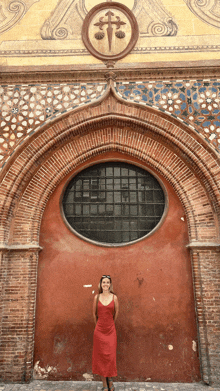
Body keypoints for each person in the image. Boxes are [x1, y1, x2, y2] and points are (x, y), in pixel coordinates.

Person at [92, 275, 119, 391]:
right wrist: (98, 326)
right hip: (99, 332)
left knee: (110, 356)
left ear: (110, 284)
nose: (106, 284)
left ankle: (110, 379)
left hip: (111, 331)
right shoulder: (96, 298)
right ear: (101, 284)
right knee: (101, 357)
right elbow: (94, 314)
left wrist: (110, 324)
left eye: (108, 282)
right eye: (104, 282)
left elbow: (116, 314)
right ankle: (104, 383)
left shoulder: (115, 298)